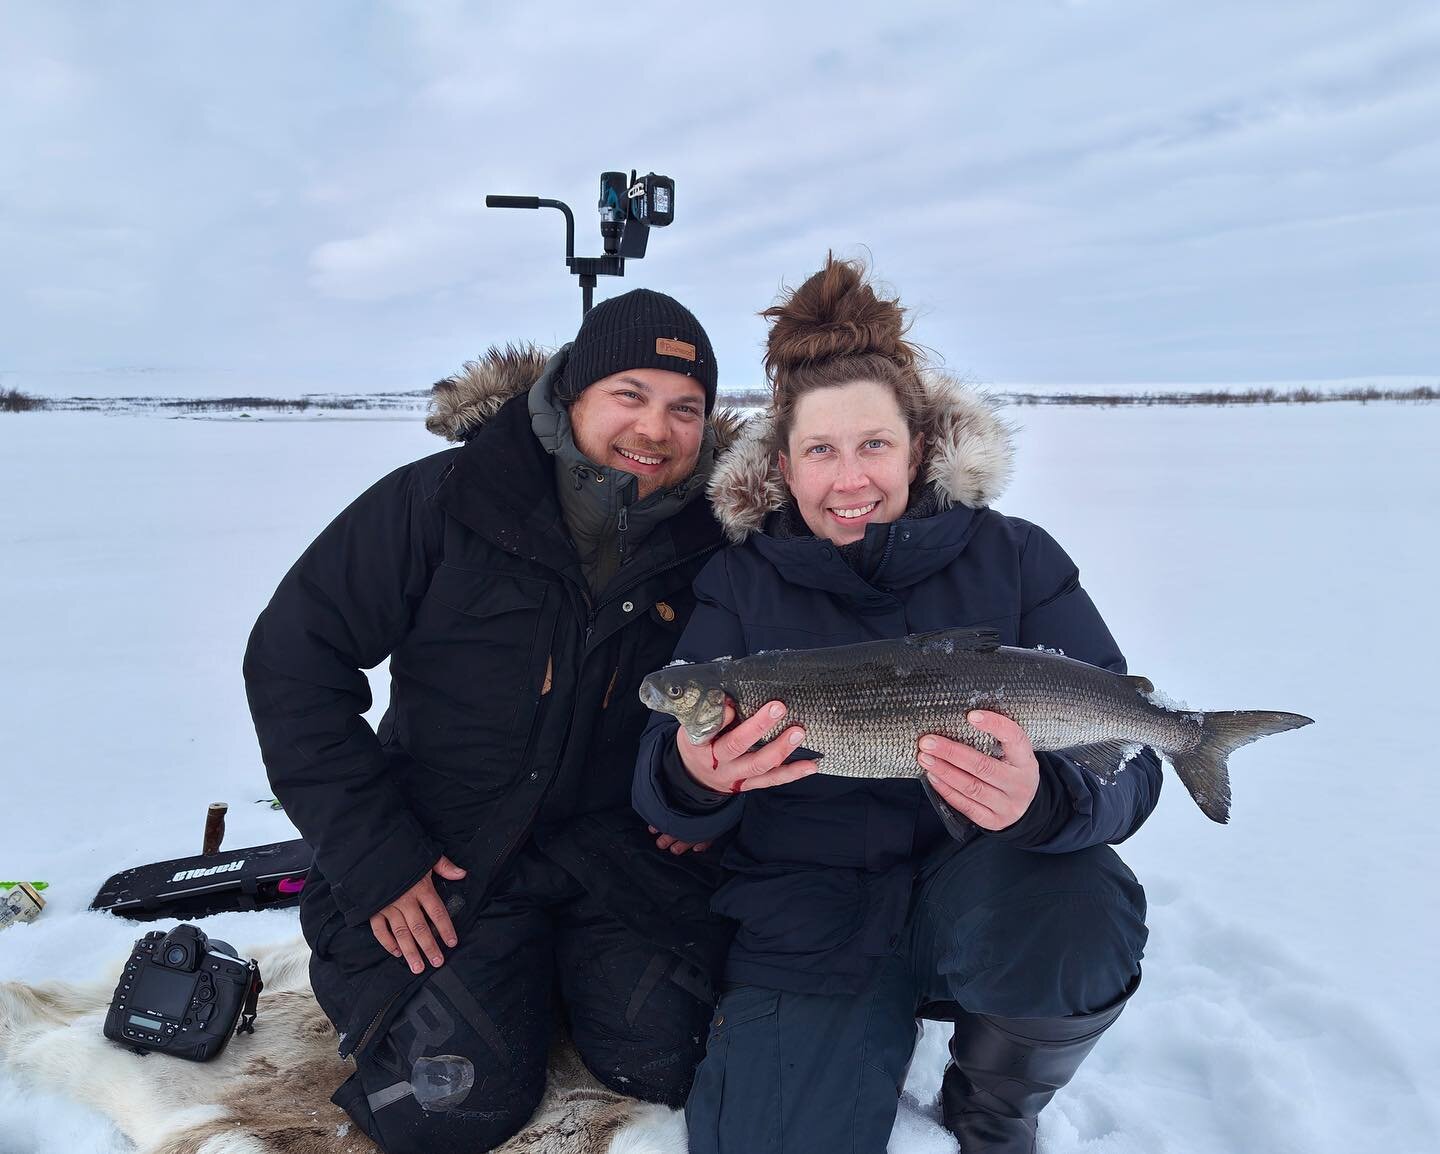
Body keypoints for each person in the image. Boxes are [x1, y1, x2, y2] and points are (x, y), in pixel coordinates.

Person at [632, 257, 1161, 1154]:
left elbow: (1132, 764)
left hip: (983, 888)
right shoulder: (738, 581)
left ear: (917, 449)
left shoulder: (1018, 561)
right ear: (783, 466)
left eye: (874, 445)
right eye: (821, 451)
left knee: (1086, 901)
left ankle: (992, 1104)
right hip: (806, 914)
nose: (851, 481)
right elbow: (657, 773)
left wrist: (1049, 803)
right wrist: (691, 778)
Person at [244, 289, 741, 1153]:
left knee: (667, 1062)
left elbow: (758, 696)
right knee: (452, 1104)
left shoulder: (717, 540)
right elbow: (293, 659)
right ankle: (491, 984)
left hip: (613, 860)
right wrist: (374, 856)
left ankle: (552, 979)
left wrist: (699, 804)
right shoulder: (446, 499)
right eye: (630, 393)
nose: (655, 429)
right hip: (440, 854)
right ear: (573, 390)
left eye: (684, 408)